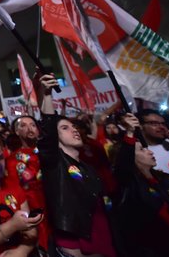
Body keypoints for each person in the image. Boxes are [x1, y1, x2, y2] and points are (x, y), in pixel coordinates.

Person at [37, 73, 116, 257]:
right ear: (55, 139)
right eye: (65, 128)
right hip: (80, 244)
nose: (74, 130)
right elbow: (48, 131)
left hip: (104, 240)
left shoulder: (89, 169)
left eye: (73, 127)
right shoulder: (54, 165)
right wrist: (47, 95)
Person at [113, 113, 169, 256]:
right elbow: (124, 165)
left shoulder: (165, 179)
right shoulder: (129, 183)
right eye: (142, 150)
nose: (149, 151)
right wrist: (130, 132)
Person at [5, 115, 49, 251]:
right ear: (17, 132)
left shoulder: (50, 152)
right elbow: (15, 192)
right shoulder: (12, 160)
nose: (29, 128)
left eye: (33, 125)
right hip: (36, 215)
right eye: (23, 125)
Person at [138, 109, 169, 177]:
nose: (161, 127)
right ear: (140, 126)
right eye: (154, 123)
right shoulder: (141, 153)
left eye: (163, 124)